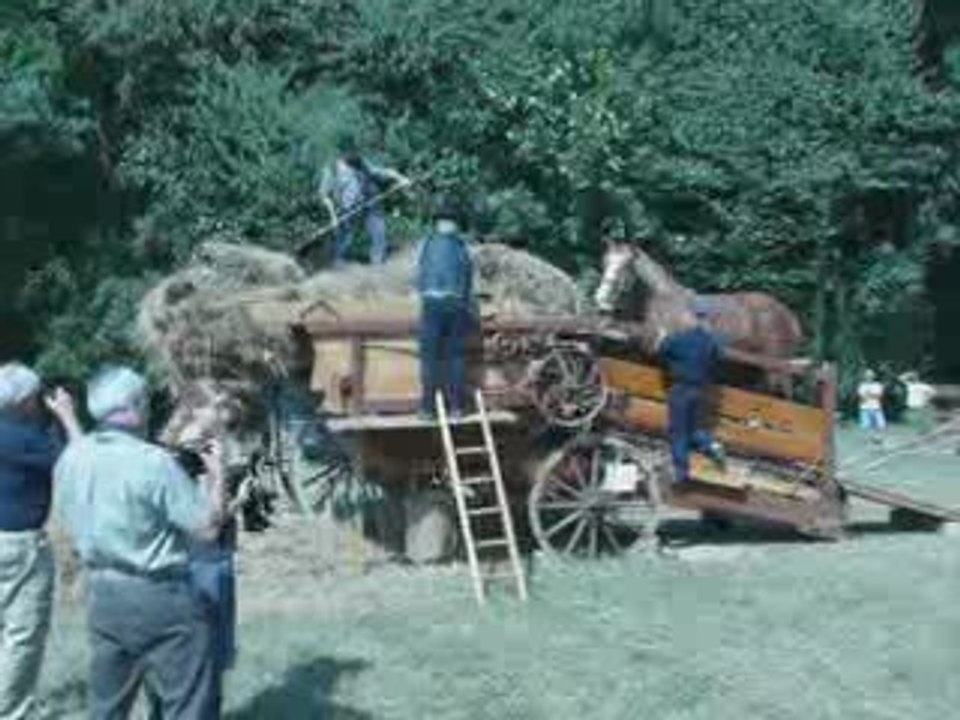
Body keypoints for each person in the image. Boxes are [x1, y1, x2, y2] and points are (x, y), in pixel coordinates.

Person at [54, 366, 226, 719]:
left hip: (102, 592)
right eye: (145, 402)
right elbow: (207, 530)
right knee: (188, 701)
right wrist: (217, 476)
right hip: (158, 593)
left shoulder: (73, 456)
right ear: (134, 406)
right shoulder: (153, 462)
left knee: (108, 705)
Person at [0, 363, 80, 720]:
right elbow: (81, 462)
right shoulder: (23, 439)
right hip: (18, 544)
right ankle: (10, 712)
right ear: (23, 402)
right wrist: (66, 416)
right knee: (22, 634)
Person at [416, 195, 474, 419]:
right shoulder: (461, 247)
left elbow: (420, 277)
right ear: (455, 223)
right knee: (456, 357)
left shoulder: (428, 244)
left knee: (429, 357)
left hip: (431, 303)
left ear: (437, 222)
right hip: (457, 303)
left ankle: (427, 409)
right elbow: (468, 278)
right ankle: (456, 408)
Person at [657, 300, 726, 485]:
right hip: (700, 390)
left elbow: (662, 351)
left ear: (692, 316)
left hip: (680, 390)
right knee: (694, 430)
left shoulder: (681, 337)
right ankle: (712, 446)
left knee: (678, 433)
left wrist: (663, 337)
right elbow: (720, 357)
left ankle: (682, 474)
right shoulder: (711, 340)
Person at [319, 133, 410, 265]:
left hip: (369, 203)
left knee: (379, 233)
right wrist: (333, 217)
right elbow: (324, 196)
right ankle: (337, 267)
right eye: (350, 151)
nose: (353, 154)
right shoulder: (331, 169)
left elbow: (382, 171)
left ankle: (378, 265)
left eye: (354, 151)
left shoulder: (361, 163)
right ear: (342, 153)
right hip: (347, 209)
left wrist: (401, 178)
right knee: (345, 239)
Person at [857, 368, 886, 443]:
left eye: (871, 375)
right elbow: (862, 398)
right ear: (865, 376)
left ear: (874, 376)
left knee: (879, 424)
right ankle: (872, 438)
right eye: (867, 375)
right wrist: (871, 395)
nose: (869, 377)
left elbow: (879, 396)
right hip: (865, 408)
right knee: (867, 425)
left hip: (876, 407)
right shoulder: (862, 385)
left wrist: (868, 394)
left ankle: (878, 437)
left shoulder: (878, 385)